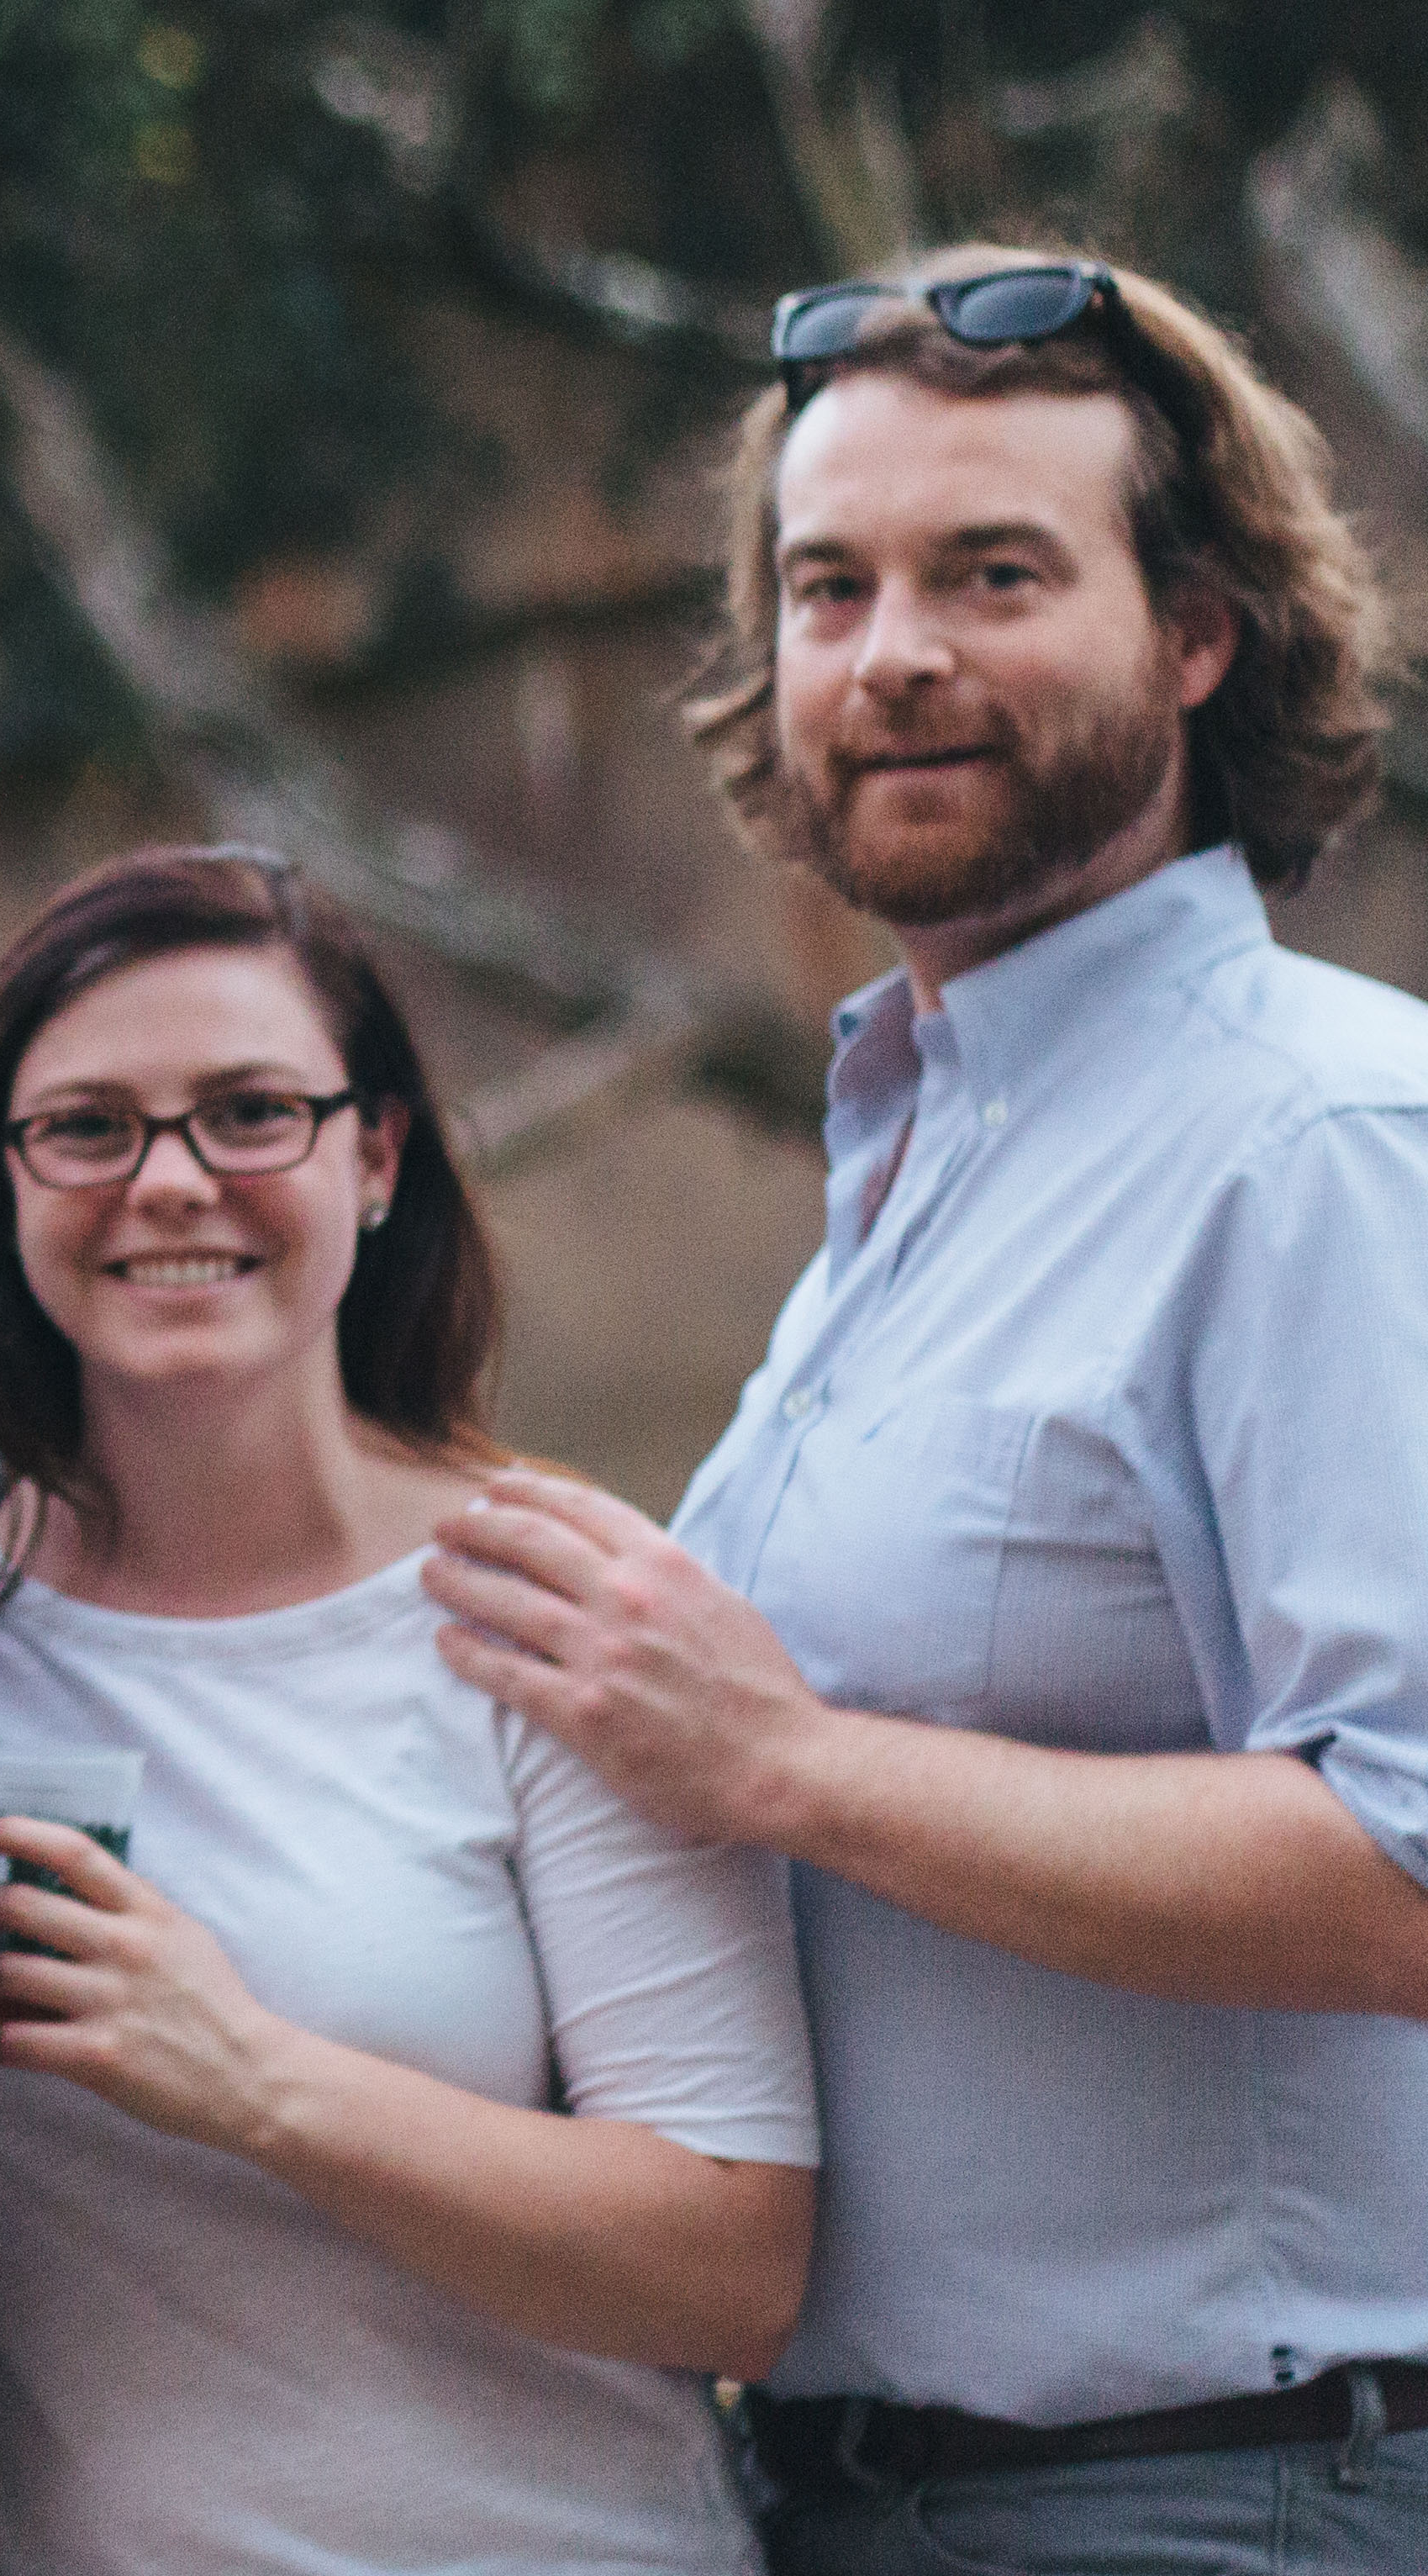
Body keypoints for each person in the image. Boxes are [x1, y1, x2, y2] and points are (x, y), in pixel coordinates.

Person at [424, 249, 1428, 2568]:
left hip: (1227, 2499)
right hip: (871, 2498)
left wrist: (784, 1761)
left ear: (1197, 636)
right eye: (829, 588)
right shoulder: (916, 1153)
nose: (889, 658)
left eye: (993, 575)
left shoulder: (1318, 1144)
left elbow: (1409, 1862)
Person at [0, 845, 818, 2574]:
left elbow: (732, 2266)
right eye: (87, 1128)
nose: (170, 1182)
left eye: (251, 1112)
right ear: (2, 1183)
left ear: (377, 1155)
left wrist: (248, 2076)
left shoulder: (554, 1599)